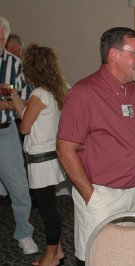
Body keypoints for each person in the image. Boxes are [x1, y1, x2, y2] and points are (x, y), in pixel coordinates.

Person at [57, 27, 135, 265]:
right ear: (114, 55)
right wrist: (91, 197)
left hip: (131, 193)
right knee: (97, 258)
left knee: (123, 256)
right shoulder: (84, 93)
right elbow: (65, 149)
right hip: (101, 194)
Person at [10, 44, 67, 266]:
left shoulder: (38, 94)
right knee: (50, 206)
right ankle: (58, 251)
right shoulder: (53, 91)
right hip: (49, 157)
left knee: (48, 211)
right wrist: (14, 95)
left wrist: (21, 105)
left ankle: (51, 257)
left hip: (40, 161)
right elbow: (29, 117)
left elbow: (24, 128)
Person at [0, 16, 38, 255]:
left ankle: (24, 233)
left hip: (6, 133)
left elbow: (24, 103)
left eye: (2, 35)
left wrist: (4, 103)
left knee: (20, 189)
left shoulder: (14, 65)